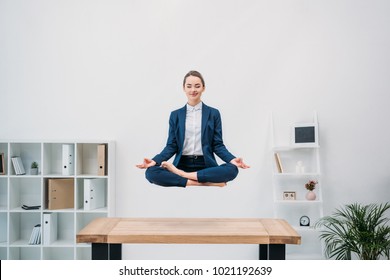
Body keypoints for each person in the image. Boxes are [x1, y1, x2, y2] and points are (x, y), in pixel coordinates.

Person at [136, 70, 249, 187]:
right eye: (189, 86)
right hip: (182, 163)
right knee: (151, 173)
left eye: (197, 86)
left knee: (232, 169)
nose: (193, 90)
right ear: (184, 88)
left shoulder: (213, 113)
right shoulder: (175, 115)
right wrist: (154, 161)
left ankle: (183, 176)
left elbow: (218, 145)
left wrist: (232, 159)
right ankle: (204, 182)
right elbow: (171, 146)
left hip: (206, 164)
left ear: (203, 88)